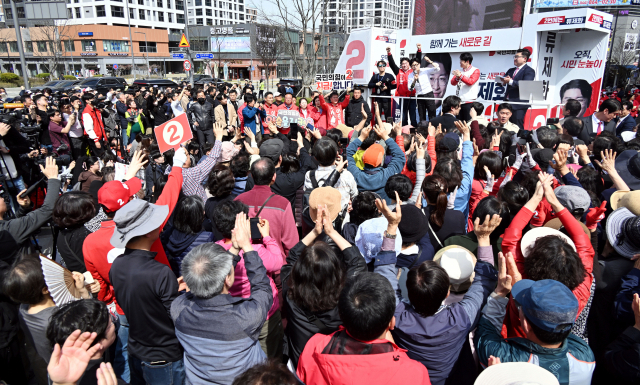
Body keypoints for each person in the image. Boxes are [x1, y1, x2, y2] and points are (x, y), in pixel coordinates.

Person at [296, 200, 431, 385]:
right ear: (391, 323)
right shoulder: (414, 373)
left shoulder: (315, 347)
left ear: (342, 317)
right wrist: (332, 232)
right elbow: (357, 263)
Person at [171, 213, 273, 385]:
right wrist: (247, 247)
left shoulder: (178, 309)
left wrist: (233, 250)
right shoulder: (245, 318)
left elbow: (205, 284)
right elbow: (263, 290)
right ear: (227, 278)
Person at [109, 198, 186, 385]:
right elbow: (177, 317)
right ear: (147, 232)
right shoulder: (160, 272)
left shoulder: (116, 266)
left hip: (136, 350)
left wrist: (169, 289)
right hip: (163, 356)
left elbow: (142, 296)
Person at [474, 277, 595, 384]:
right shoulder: (585, 355)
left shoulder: (504, 359)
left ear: (526, 325)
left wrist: (499, 294)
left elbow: (485, 333)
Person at [213, 201, 283, 358]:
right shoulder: (255, 250)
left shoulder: (215, 251)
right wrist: (266, 236)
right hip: (265, 316)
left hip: (234, 316)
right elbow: (278, 262)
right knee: (269, 359)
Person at [4, 255, 93, 363]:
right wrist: (84, 293)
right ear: (46, 289)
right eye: (49, 276)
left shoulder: (24, 309)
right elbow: (94, 323)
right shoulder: (60, 319)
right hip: (76, 367)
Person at [235, 158, 299, 261]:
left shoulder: (238, 200)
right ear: (274, 177)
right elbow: (291, 243)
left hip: (245, 264)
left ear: (252, 176)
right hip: (276, 265)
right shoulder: (282, 204)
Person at [0, 157, 60, 263]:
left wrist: (23, 209)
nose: (3, 198)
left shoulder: (6, 228)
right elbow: (48, 210)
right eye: (0, 196)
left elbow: (12, 223)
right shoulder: (8, 231)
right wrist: (53, 179)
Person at [46, 299, 117, 385]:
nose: (114, 323)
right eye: (112, 321)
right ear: (99, 343)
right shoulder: (108, 381)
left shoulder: (58, 372)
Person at [346, 123, 405, 204]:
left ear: (363, 159)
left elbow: (348, 153)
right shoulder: (386, 175)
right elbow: (400, 156)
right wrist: (385, 137)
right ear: (381, 162)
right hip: (384, 212)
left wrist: (361, 137)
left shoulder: (356, 175)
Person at [161, 195, 214, 276]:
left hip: (173, 281)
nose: (204, 212)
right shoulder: (207, 238)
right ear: (197, 216)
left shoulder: (166, 234)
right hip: (194, 283)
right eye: (201, 211)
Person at [52, 191, 96, 273]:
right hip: (91, 281)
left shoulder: (62, 231)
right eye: (91, 207)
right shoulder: (86, 234)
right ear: (82, 212)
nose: (94, 208)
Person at [500, 48, 536, 129]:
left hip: (519, 104)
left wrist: (510, 81)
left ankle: (518, 141)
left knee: (517, 126)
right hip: (507, 103)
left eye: (517, 57)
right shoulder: (511, 70)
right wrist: (502, 81)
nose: (515, 59)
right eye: (514, 57)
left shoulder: (529, 71)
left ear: (525, 59)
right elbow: (503, 81)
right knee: (505, 125)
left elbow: (525, 84)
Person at [386, 45, 419, 127]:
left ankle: (413, 133)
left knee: (413, 116)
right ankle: (405, 133)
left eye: (406, 63)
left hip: (412, 97)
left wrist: (419, 50)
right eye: (402, 63)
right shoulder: (398, 71)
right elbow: (392, 64)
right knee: (403, 117)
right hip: (402, 98)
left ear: (409, 64)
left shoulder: (413, 70)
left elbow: (418, 62)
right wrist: (389, 53)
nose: (404, 65)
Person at [408, 47, 441, 121]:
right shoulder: (410, 76)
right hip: (420, 95)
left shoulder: (425, 70)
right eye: (413, 65)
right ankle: (422, 130)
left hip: (428, 94)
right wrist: (414, 80)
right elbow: (410, 88)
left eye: (416, 64)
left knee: (432, 113)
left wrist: (430, 61)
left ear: (419, 64)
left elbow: (437, 69)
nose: (415, 66)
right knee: (421, 114)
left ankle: (433, 128)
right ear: (411, 67)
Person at [451, 52, 481, 121]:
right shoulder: (459, 71)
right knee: (459, 122)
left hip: (469, 101)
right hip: (459, 102)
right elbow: (453, 83)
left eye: (461, 61)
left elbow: (470, 82)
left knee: (468, 122)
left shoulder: (475, 70)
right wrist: (457, 77)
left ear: (467, 61)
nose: (460, 62)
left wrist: (460, 76)